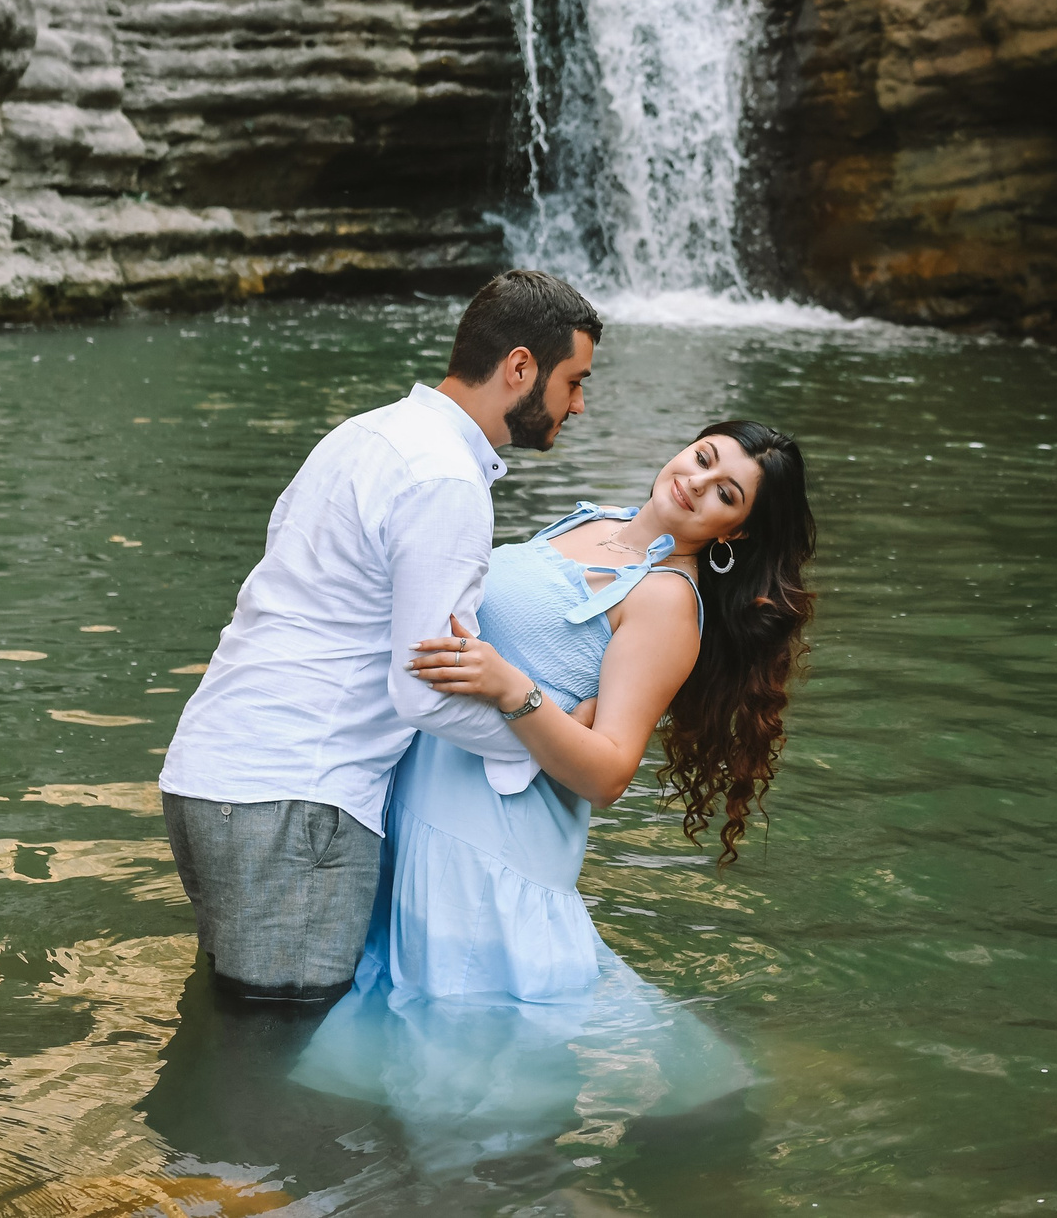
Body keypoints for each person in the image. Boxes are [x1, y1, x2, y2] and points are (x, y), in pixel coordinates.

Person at [292, 420, 817, 1171]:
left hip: (491, 850)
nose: (697, 483)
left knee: (462, 1108)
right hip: (427, 805)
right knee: (400, 1075)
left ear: (737, 530)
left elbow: (609, 772)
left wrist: (515, 688)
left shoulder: (669, 602)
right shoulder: (591, 519)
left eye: (725, 492)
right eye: (703, 458)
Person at [156, 269, 603, 1003]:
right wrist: (546, 737)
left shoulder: (368, 433)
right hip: (297, 800)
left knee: (236, 1026)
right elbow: (424, 689)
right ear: (521, 367)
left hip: (208, 776)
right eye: (574, 381)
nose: (578, 404)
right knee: (282, 1063)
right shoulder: (448, 482)